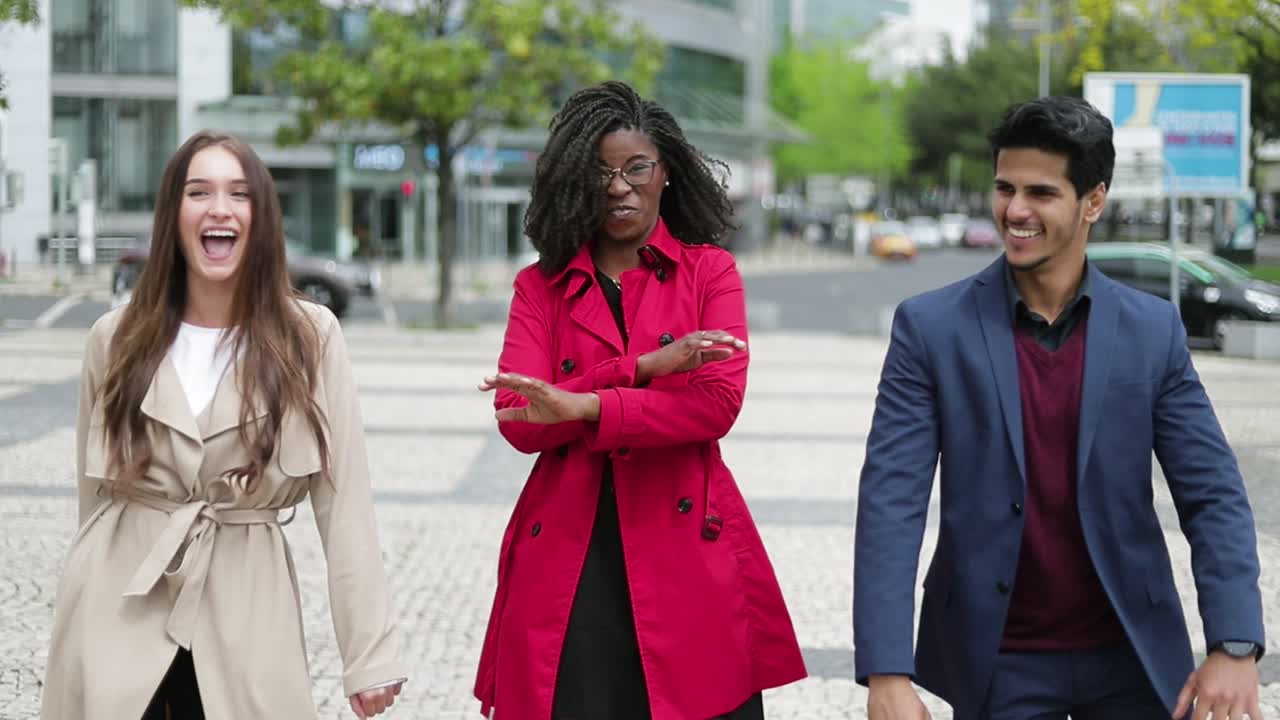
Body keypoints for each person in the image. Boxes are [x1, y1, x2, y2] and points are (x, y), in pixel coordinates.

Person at [853, 96, 1265, 720]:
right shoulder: (930, 328)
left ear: (1093, 201)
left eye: (1041, 193)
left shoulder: (1152, 330)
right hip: (997, 661)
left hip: (1131, 651)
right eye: (1004, 188)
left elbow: (1212, 493)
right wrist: (887, 672)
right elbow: (891, 500)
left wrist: (1233, 645)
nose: (1015, 210)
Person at [41, 130, 406, 719]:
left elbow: (346, 507)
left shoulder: (309, 339)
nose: (219, 208)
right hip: (118, 606)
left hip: (248, 612)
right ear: (172, 215)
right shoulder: (114, 339)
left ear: (260, 217)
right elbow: (94, 502)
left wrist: (369, 653)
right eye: (198, 192)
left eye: (239, 194)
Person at [473, 80, 806, 720]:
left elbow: (715, 406)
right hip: (571, 550)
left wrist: (582, 406)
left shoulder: (711, 272)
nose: (619, 187)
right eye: (599, 172)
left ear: (667, 174)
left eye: (636, 168)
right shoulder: (538, 286)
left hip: (687, 543)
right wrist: (645, 368)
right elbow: (519, 417)